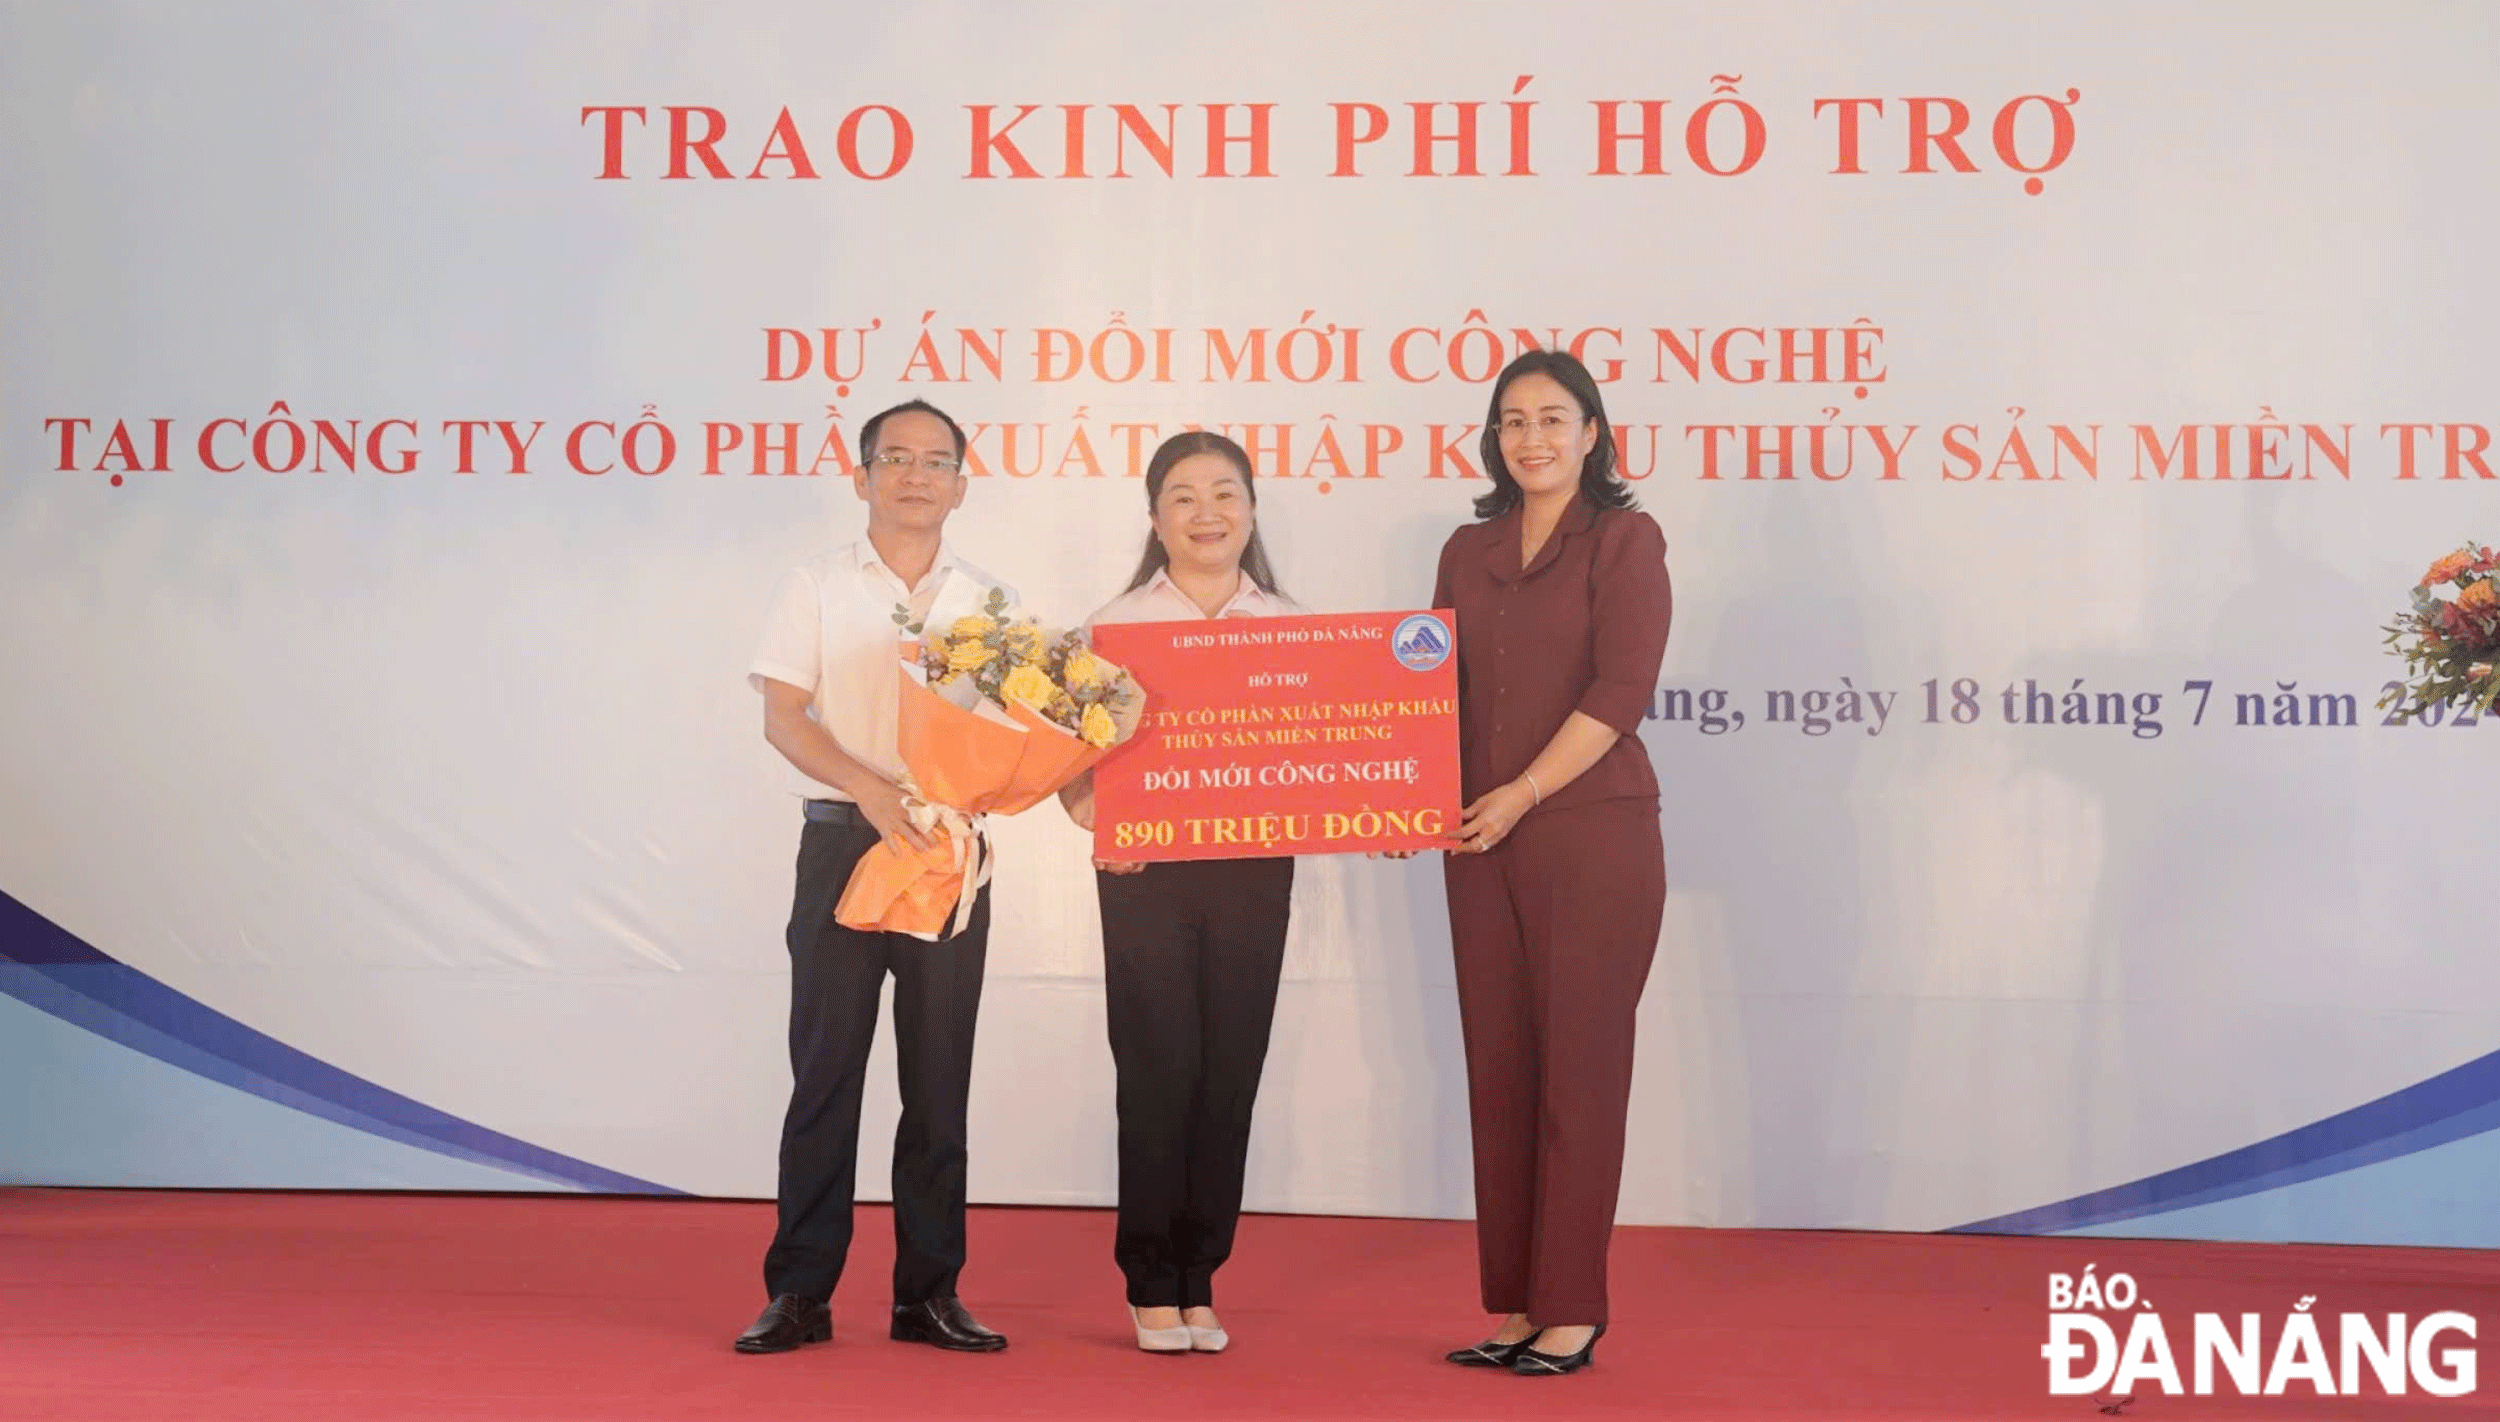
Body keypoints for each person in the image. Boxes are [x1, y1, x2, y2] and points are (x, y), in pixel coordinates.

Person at [735, 398, 1014, 1357]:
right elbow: (784, 715)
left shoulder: (988, 600)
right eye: (895, 458)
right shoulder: (814, 585)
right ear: (861, 477)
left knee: (940, 1082)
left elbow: (1017, 733)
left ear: (961, 485)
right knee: (826, 1074)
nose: (915, 476)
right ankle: (801, 1294)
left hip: (948, 854)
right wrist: (871, 790)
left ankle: (928, 1296)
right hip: (845, 843)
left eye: (936, 462)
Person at [1429, 349, 1673, 1377]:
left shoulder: (1624, 539)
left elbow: (1620, 691)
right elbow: (1426, 691)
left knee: (1579, 1070)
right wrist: (1404, 793)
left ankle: (1573, 1306)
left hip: (1588, 835)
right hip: (1477, 840)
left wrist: (1523, 791)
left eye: (1552, 419)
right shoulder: (1465, 546)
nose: (1531, 438)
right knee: (1502, 1069)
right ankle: (1518, 1301)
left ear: (1592, 434)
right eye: (1512, 420)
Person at [1059, 431, 1302, 1355]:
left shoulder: (1293, 626)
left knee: (1231, 1075)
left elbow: (1332, 759)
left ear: (1250, 510)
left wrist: (1379, 815)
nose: (1207, 514)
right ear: (1156, 518)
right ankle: (1150, 1276)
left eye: (1225, 495)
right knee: (1158, 1073)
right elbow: (1067, 763)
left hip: (1255, 876)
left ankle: (1202, 1277)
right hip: (1147, 880)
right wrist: (1096, 814)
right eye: (1184, 498)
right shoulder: (1115, 624)